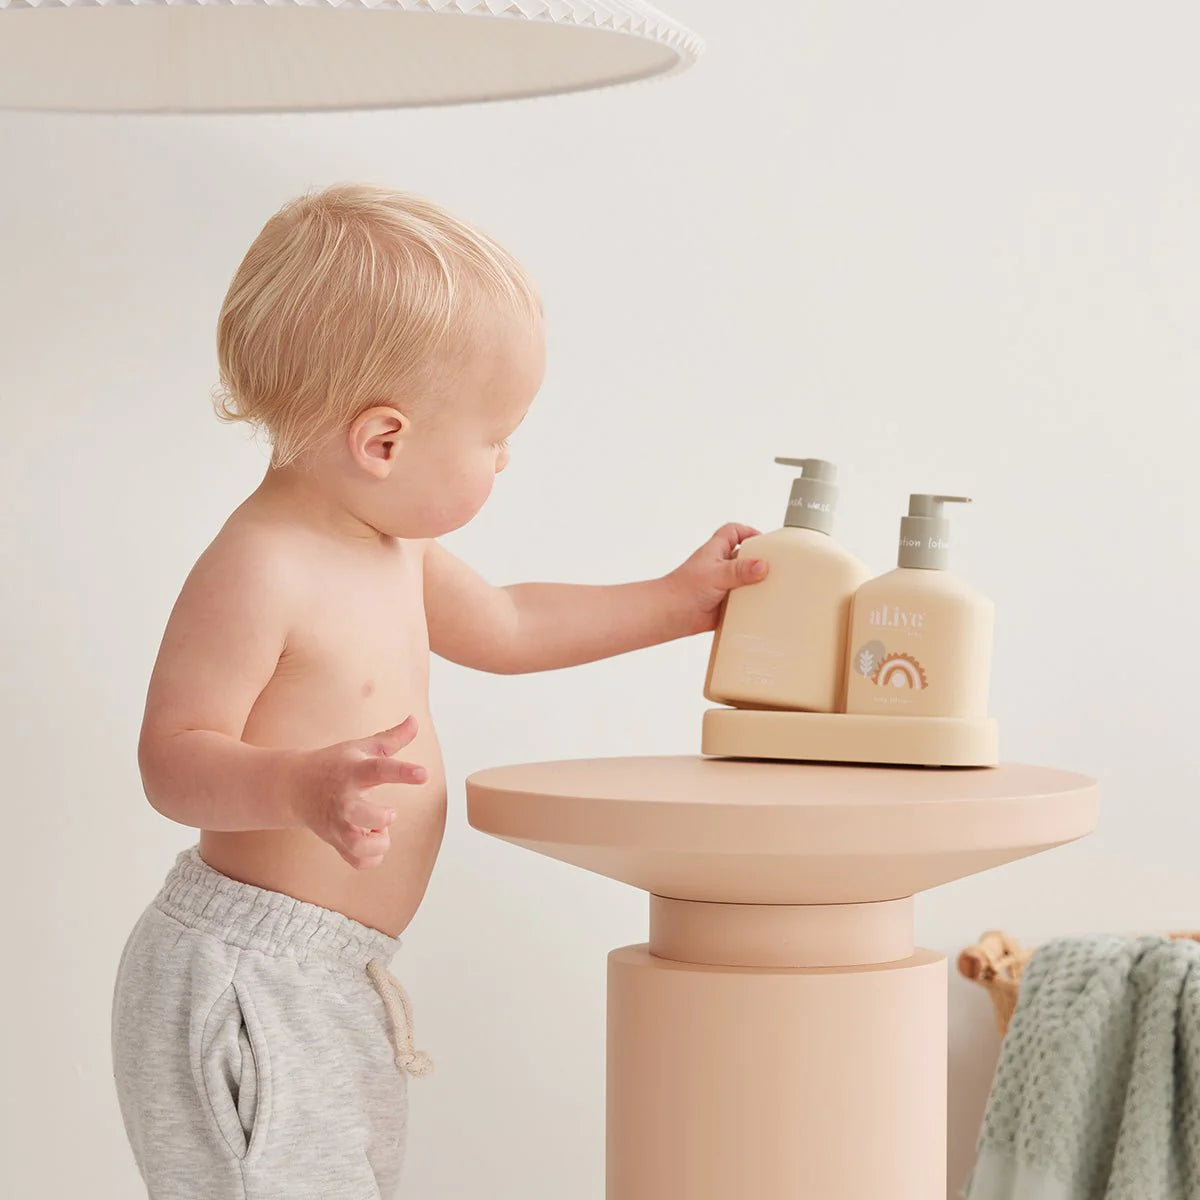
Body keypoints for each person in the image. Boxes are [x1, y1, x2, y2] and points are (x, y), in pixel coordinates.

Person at [110, 183, 767, 1198]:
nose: (507, 457)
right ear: (384, 442)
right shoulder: (262, 566)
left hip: (333, 971)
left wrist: (674, 603)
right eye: (495, 436)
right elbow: (173, 758)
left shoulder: (392, 544)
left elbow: (508, 624)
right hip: (247, 973)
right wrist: (295, 786)